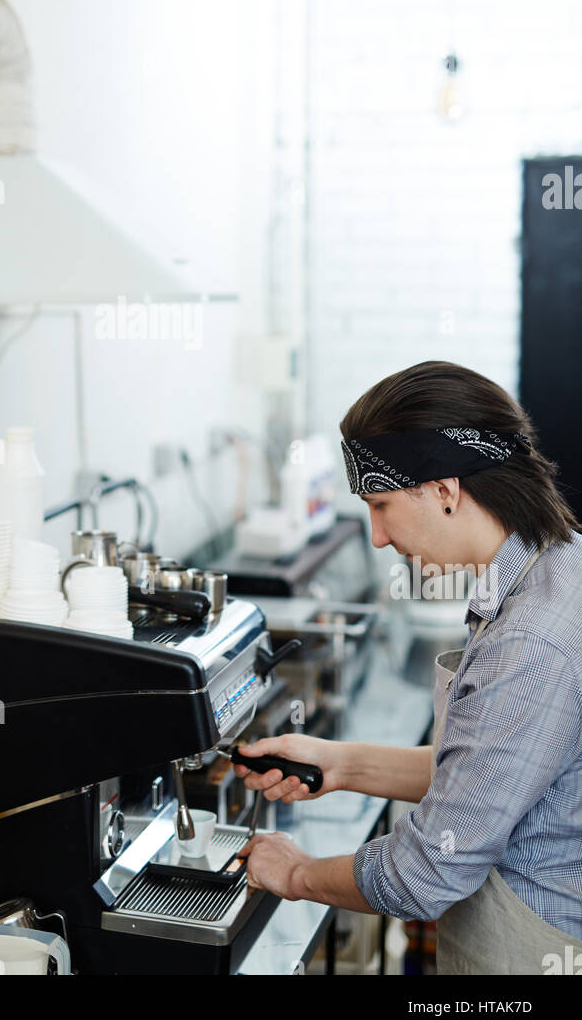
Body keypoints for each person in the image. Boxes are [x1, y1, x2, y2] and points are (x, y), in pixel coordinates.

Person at [237, 360, 582, 974]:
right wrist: (340, 763)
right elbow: (495, 774)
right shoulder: (558, 565)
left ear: (445, 491)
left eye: (381, 504)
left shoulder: (529, 643)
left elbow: (428, 873)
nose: (376, 536)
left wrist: (295, 872)